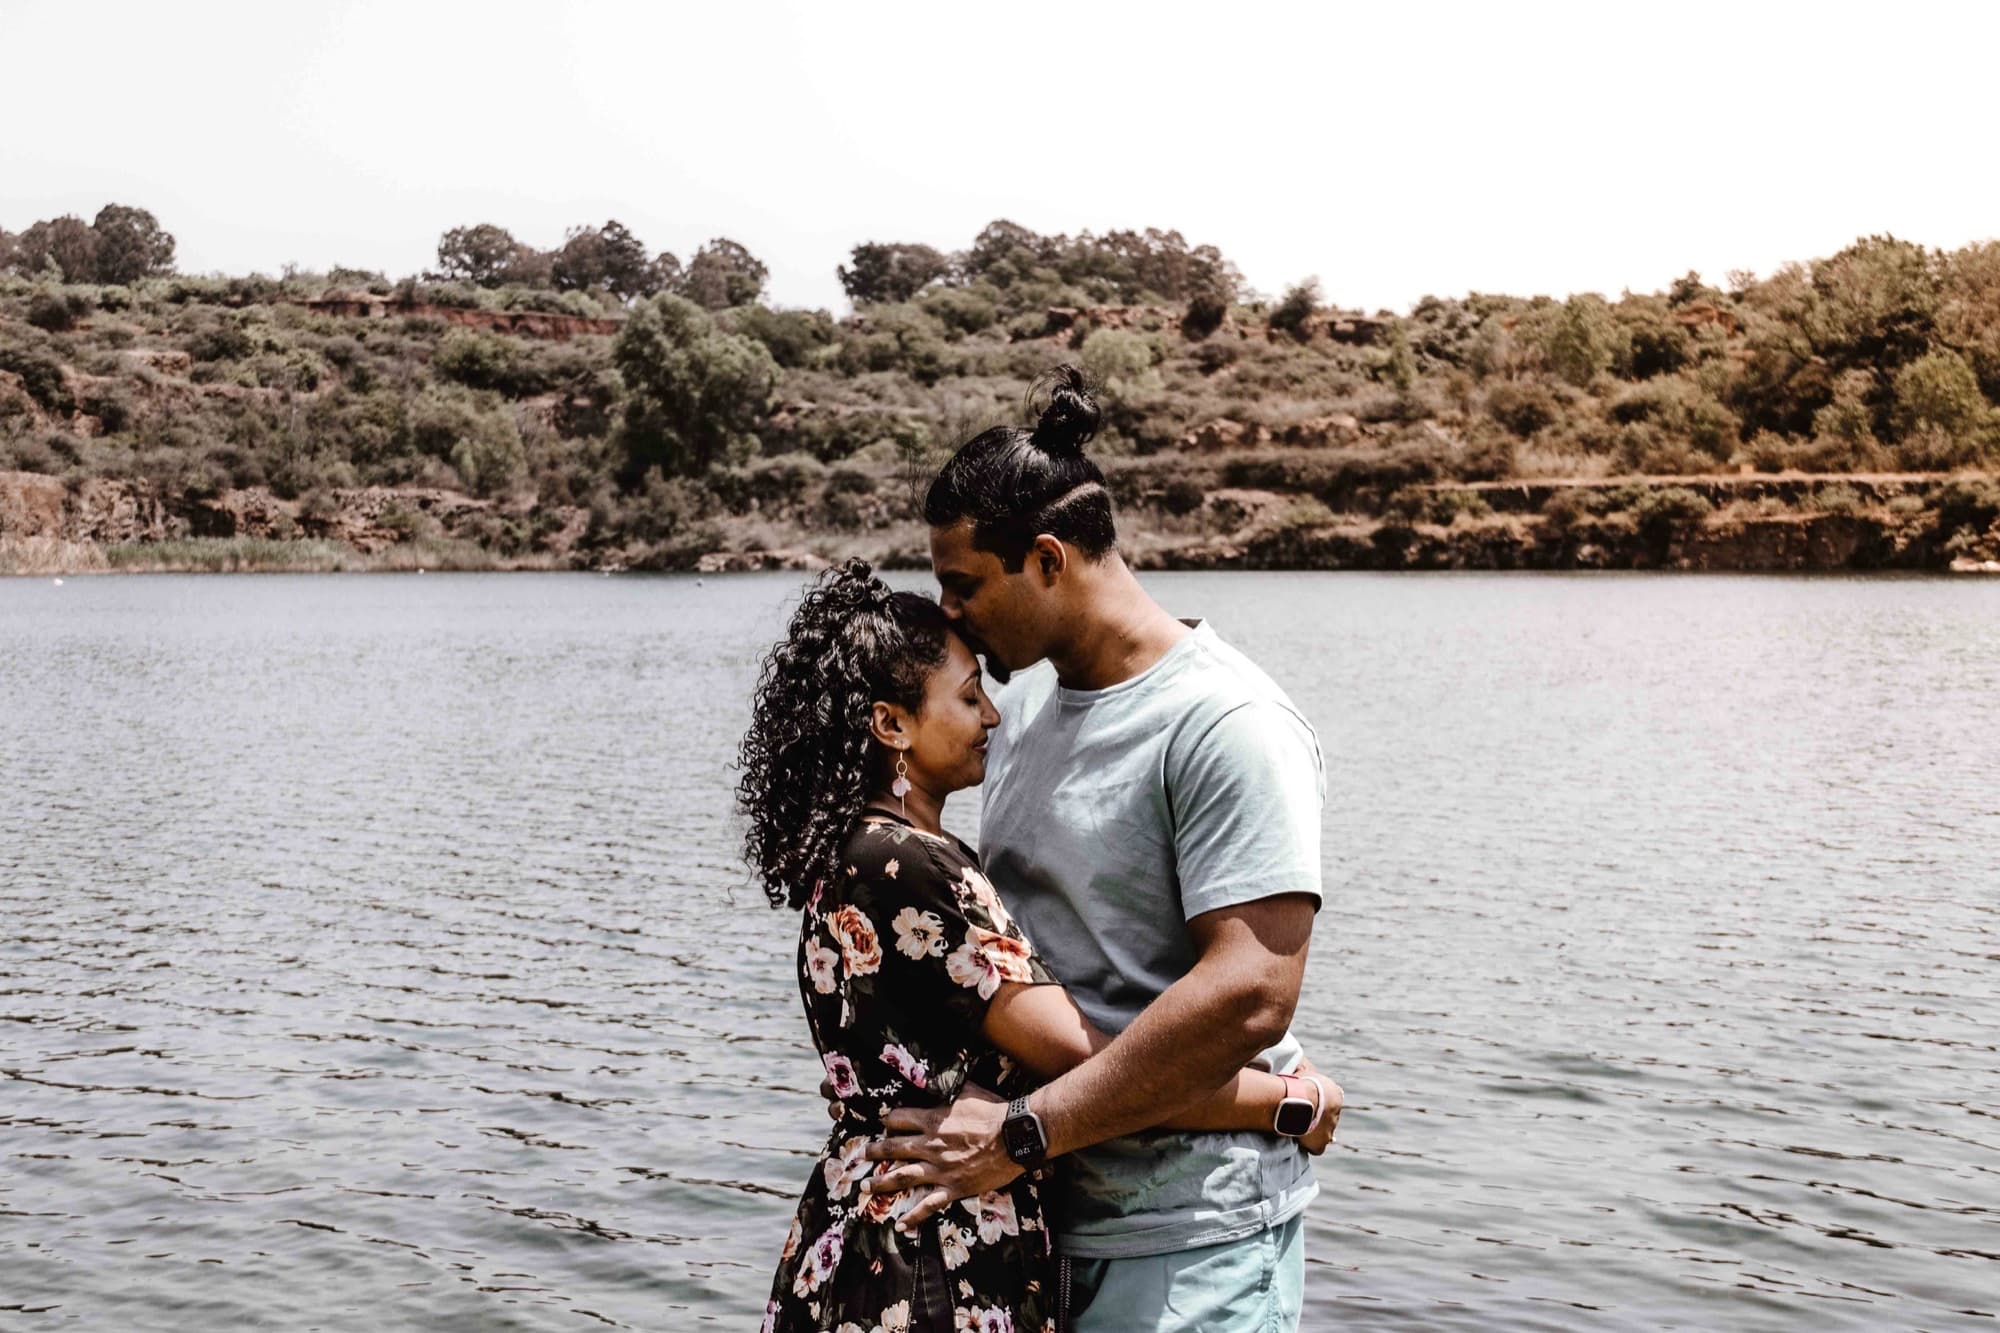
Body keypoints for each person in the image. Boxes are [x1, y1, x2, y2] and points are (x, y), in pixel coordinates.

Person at [738, 560, 1338, 1333]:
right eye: (966, 696)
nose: (992, 715)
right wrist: (1286, 1099)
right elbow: (1092, 1065)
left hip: (871, 1224)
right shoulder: (914, 866)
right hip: (935, 1253)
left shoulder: (856, 851)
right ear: (892, 724)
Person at [860, 367, 1336, 1332]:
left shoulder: (1227, 722)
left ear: (1045, 559)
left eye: (963, 585)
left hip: (1190, 1240)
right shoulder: (1020, 704)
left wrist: (1025, 1132)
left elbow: (1251, 992)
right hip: (1031, 1225)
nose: (946, 615)